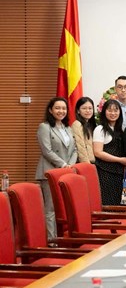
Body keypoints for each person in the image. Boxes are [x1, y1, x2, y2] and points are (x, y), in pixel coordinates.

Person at [35, 97, 77, 239]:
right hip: (49, 172)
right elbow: (46, 151)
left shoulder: (68, 128)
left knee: (65, 207)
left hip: (66, 172)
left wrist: (70, 166)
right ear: (50, 110)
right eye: (57, 108)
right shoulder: (44, 127)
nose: (61, 111)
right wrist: (64, 165)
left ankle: (65, 238)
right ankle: (51, 240)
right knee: (51, 208)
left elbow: (74, 150)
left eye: (64, 108)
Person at [93, 99, 126, 206]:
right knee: (109, 203)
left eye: (116, 110)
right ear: (104, 112)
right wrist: (120, 160)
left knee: (119, 204)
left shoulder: (120, 129)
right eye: (109, 110)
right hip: (105, 172)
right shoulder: (100, 129)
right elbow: (98, 152)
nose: (113, 113)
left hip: (119, 172)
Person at [71, 96, 96, 164]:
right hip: (85, 164)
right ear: (78, 111)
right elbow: (81, 148)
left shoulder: (89, 124)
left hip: (92, 162)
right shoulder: (77, 124)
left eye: (90, 108)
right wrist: (88, 166)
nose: (88, 111)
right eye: (84, 108)